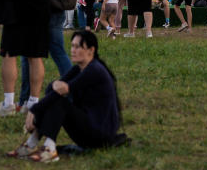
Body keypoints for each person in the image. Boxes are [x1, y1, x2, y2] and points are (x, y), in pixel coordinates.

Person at [8, 31, 123, 163]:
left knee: (61, 103)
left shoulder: (94, 70)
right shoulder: (78, 69)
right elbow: (50, 90)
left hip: (100, 136)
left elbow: (61, 91)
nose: (73, 50)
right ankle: (31, 144)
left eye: (78, 47)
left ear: (91, 50)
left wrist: (34, 110)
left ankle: (49, 149)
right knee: (55, 99)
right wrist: (54, 84)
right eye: (72, 46)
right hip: (90, 128)